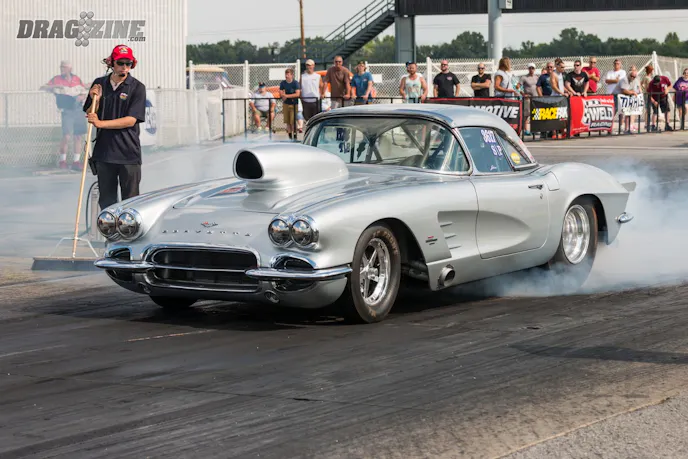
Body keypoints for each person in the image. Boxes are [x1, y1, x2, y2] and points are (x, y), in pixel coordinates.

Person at [83, 44, 147, 211]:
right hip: (104, 153)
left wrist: (101, 123)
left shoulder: (137, 87)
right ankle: (109, 228)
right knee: (107, 201)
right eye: (120, 63)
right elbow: (90, 112)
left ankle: (128, 228)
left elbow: (131, 120)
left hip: (128, 153)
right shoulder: (99, 84)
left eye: (128, 63)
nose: (124, 67)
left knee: (131, 202)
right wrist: (95, 99)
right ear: (111, 63)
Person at [40, 60, 88, 170]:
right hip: (67, 110)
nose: (62, 69)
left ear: (70, 69)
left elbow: (83, 91)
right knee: (66, 136)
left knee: (78, 136)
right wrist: (56, 86)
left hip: (78, 109)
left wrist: (81, 97)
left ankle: (76, 161)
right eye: (61, 67)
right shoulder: (56, 79)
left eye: (64, 67)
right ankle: (62, 161)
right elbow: (43, 87)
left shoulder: (76, 79)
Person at [279, 68, 301, 139]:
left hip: (293, 104)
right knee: (288, 122)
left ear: (292, 75)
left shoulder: (295, 83)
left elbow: (297, 94)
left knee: (293, 121)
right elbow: (281, 93)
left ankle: (295, 136)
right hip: (286, 104)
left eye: (288, 74)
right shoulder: (283, 83)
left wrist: (287, 96)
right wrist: (283, 96)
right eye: (286, 74)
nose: (286, 76)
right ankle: (290, 137)